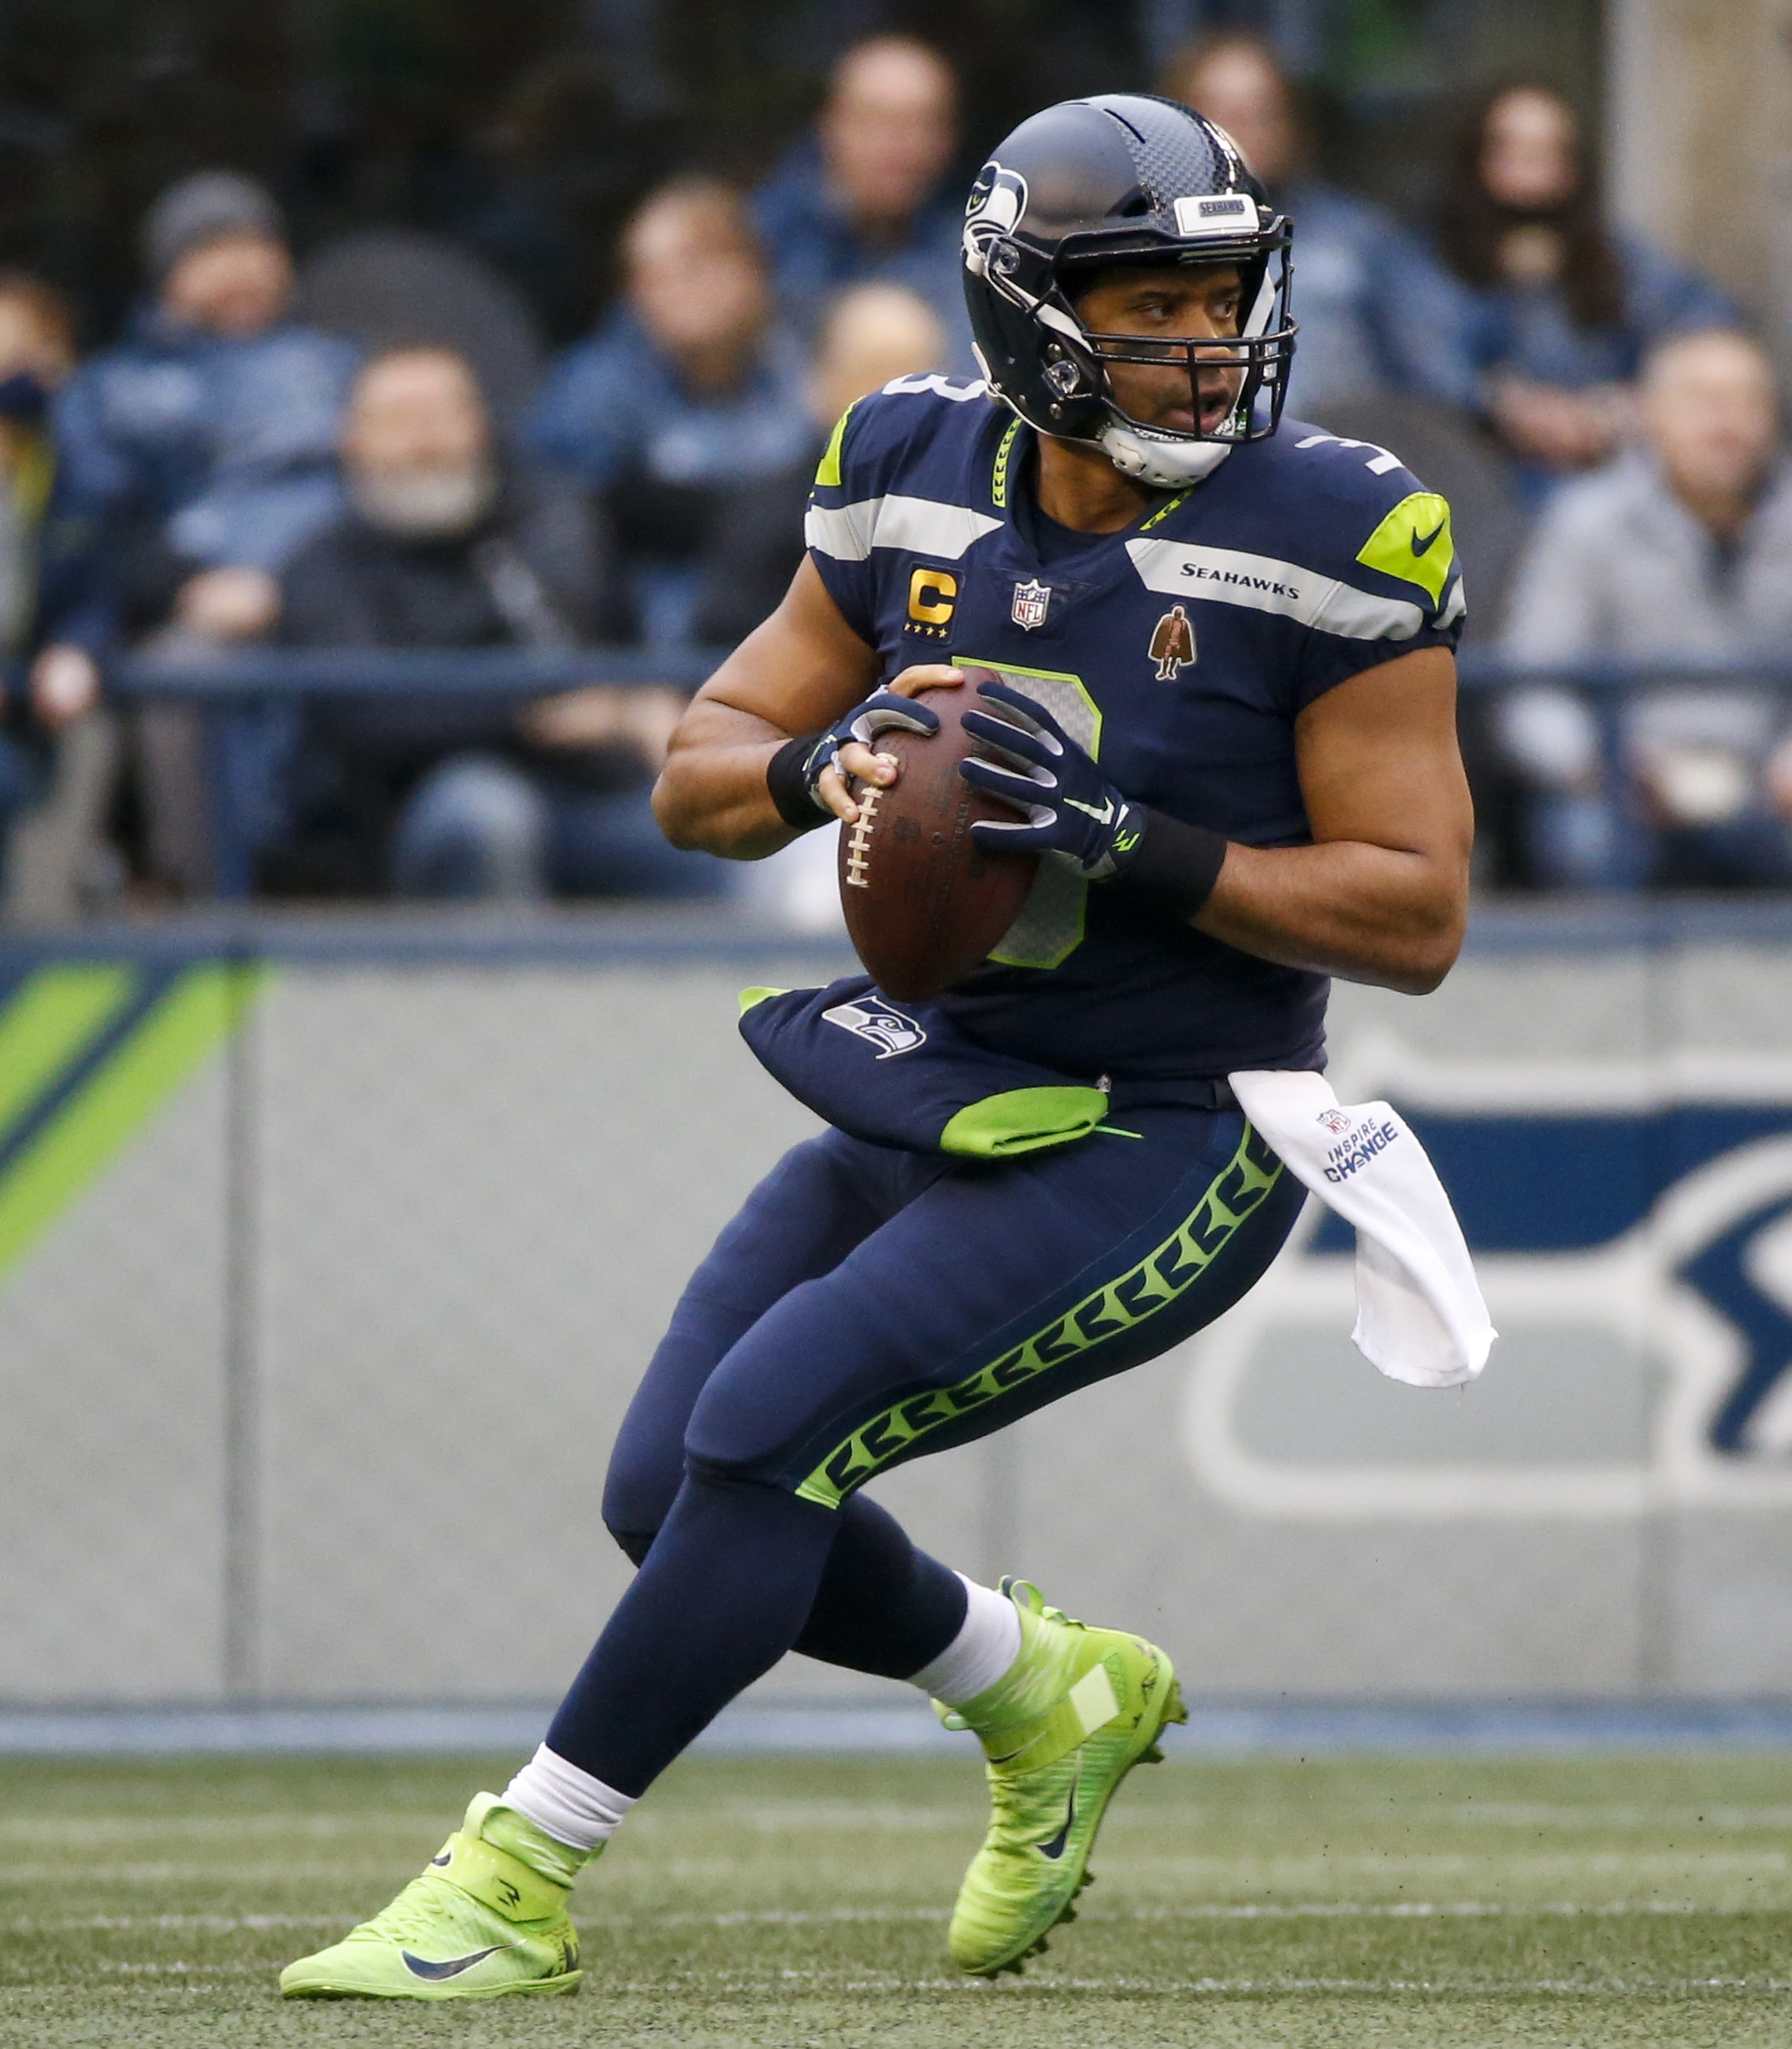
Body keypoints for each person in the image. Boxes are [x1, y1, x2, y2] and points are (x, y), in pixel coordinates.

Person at [282, 94, 1474, 2002]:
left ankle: (516, 1873)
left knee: (769, 1430)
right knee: (666, 1489)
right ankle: (1038, 1686)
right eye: (1150, 305)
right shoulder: (906, 464)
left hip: (1173, 1122)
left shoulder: (1333, 527)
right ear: (1027, 317)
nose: (1204, 343)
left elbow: (1416, 914)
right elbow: (696, 771)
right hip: (942, 1076)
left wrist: (1129, 843)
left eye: (1222, 297)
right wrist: (816, 764)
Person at [270, 346, 710, 902]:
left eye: (443, 414)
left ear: (482, 427)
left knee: (729, 833)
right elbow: (366, 713)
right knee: (489, 813)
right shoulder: (320, 565)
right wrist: (533, 713)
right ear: (351, 441)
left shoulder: (547, 523)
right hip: (404, 820)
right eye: (399, 420)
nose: (425, 442)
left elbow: (617, 646)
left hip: (582, 793)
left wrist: (634, 708)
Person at [52, 172, 360, 894]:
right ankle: (205, 907)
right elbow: (94, 532)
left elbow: (383, 502)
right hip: (199, 617)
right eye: (213, 249)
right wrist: (187, 585)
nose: (241, 266)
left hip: (342, 601)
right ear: (168, 273)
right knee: (183, 676)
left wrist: (303, 589)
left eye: (256, 246)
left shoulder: (338, 369)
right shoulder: (111, 388)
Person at [1497, 328, 1792, 889]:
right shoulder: (1584, 520)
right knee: (1585, 847)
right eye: (1701, 399)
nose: (1726, 422)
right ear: (1650, 413)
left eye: (1747, 400)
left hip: (1766, 787)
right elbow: (1531, 686)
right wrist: (1593, 763)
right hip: (1623, 786)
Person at [527, 179, 814, 649]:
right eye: (648, 275)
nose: (672, 291)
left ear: (751, 270)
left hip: (792, 623)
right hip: (650, 644)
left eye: (692, 267)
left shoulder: (802, 372)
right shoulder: (591, 389)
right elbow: (561, 529)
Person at [1430, 81, 1736, 484]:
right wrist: (1506, 404)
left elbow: (1707, 321)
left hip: (1611, 469)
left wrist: (1640, 401)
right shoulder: (1431, 257)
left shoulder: (1613, 255)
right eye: (1512, 150)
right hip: (1477, 476)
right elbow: (1428, 366)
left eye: (1549, 151)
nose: (1532, 169)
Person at [1164, 29, 1472, 415]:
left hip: (1332, 440)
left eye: (1261, 112)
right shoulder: (1142, 242)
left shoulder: (1357, 237)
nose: (1240, 129)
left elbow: (1433, 368)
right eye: (1220, 112)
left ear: (1291, 125)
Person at [690, 282, 949, 648]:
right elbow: (724, 648)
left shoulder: (985, 514)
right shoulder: (766, 520)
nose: (900, 395)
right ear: (820, 382)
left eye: (922, 375)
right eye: (877, 370)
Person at [0, 275, 102, 907]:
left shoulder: (73, 466)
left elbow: (93, 594)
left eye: (38, 349)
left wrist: (77, 649)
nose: (19, 366)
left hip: (19, 715)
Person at [751, 35, 969, 343]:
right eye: (879, 121)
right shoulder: (761, 240)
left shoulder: (974, 252)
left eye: (924, 125)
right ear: (832, 125)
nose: (902, 147)